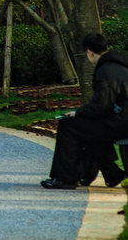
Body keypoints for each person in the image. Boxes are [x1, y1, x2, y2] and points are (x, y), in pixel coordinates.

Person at [42, 34, 128, 190]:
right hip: (121, 119)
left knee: (68, 126)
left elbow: (101, 105)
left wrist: (78, 113)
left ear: (89, 52)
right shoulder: (119, 66)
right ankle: (111, 174)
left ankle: (65, 178)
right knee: (89, 131)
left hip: (122, 122)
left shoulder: (106, 71)